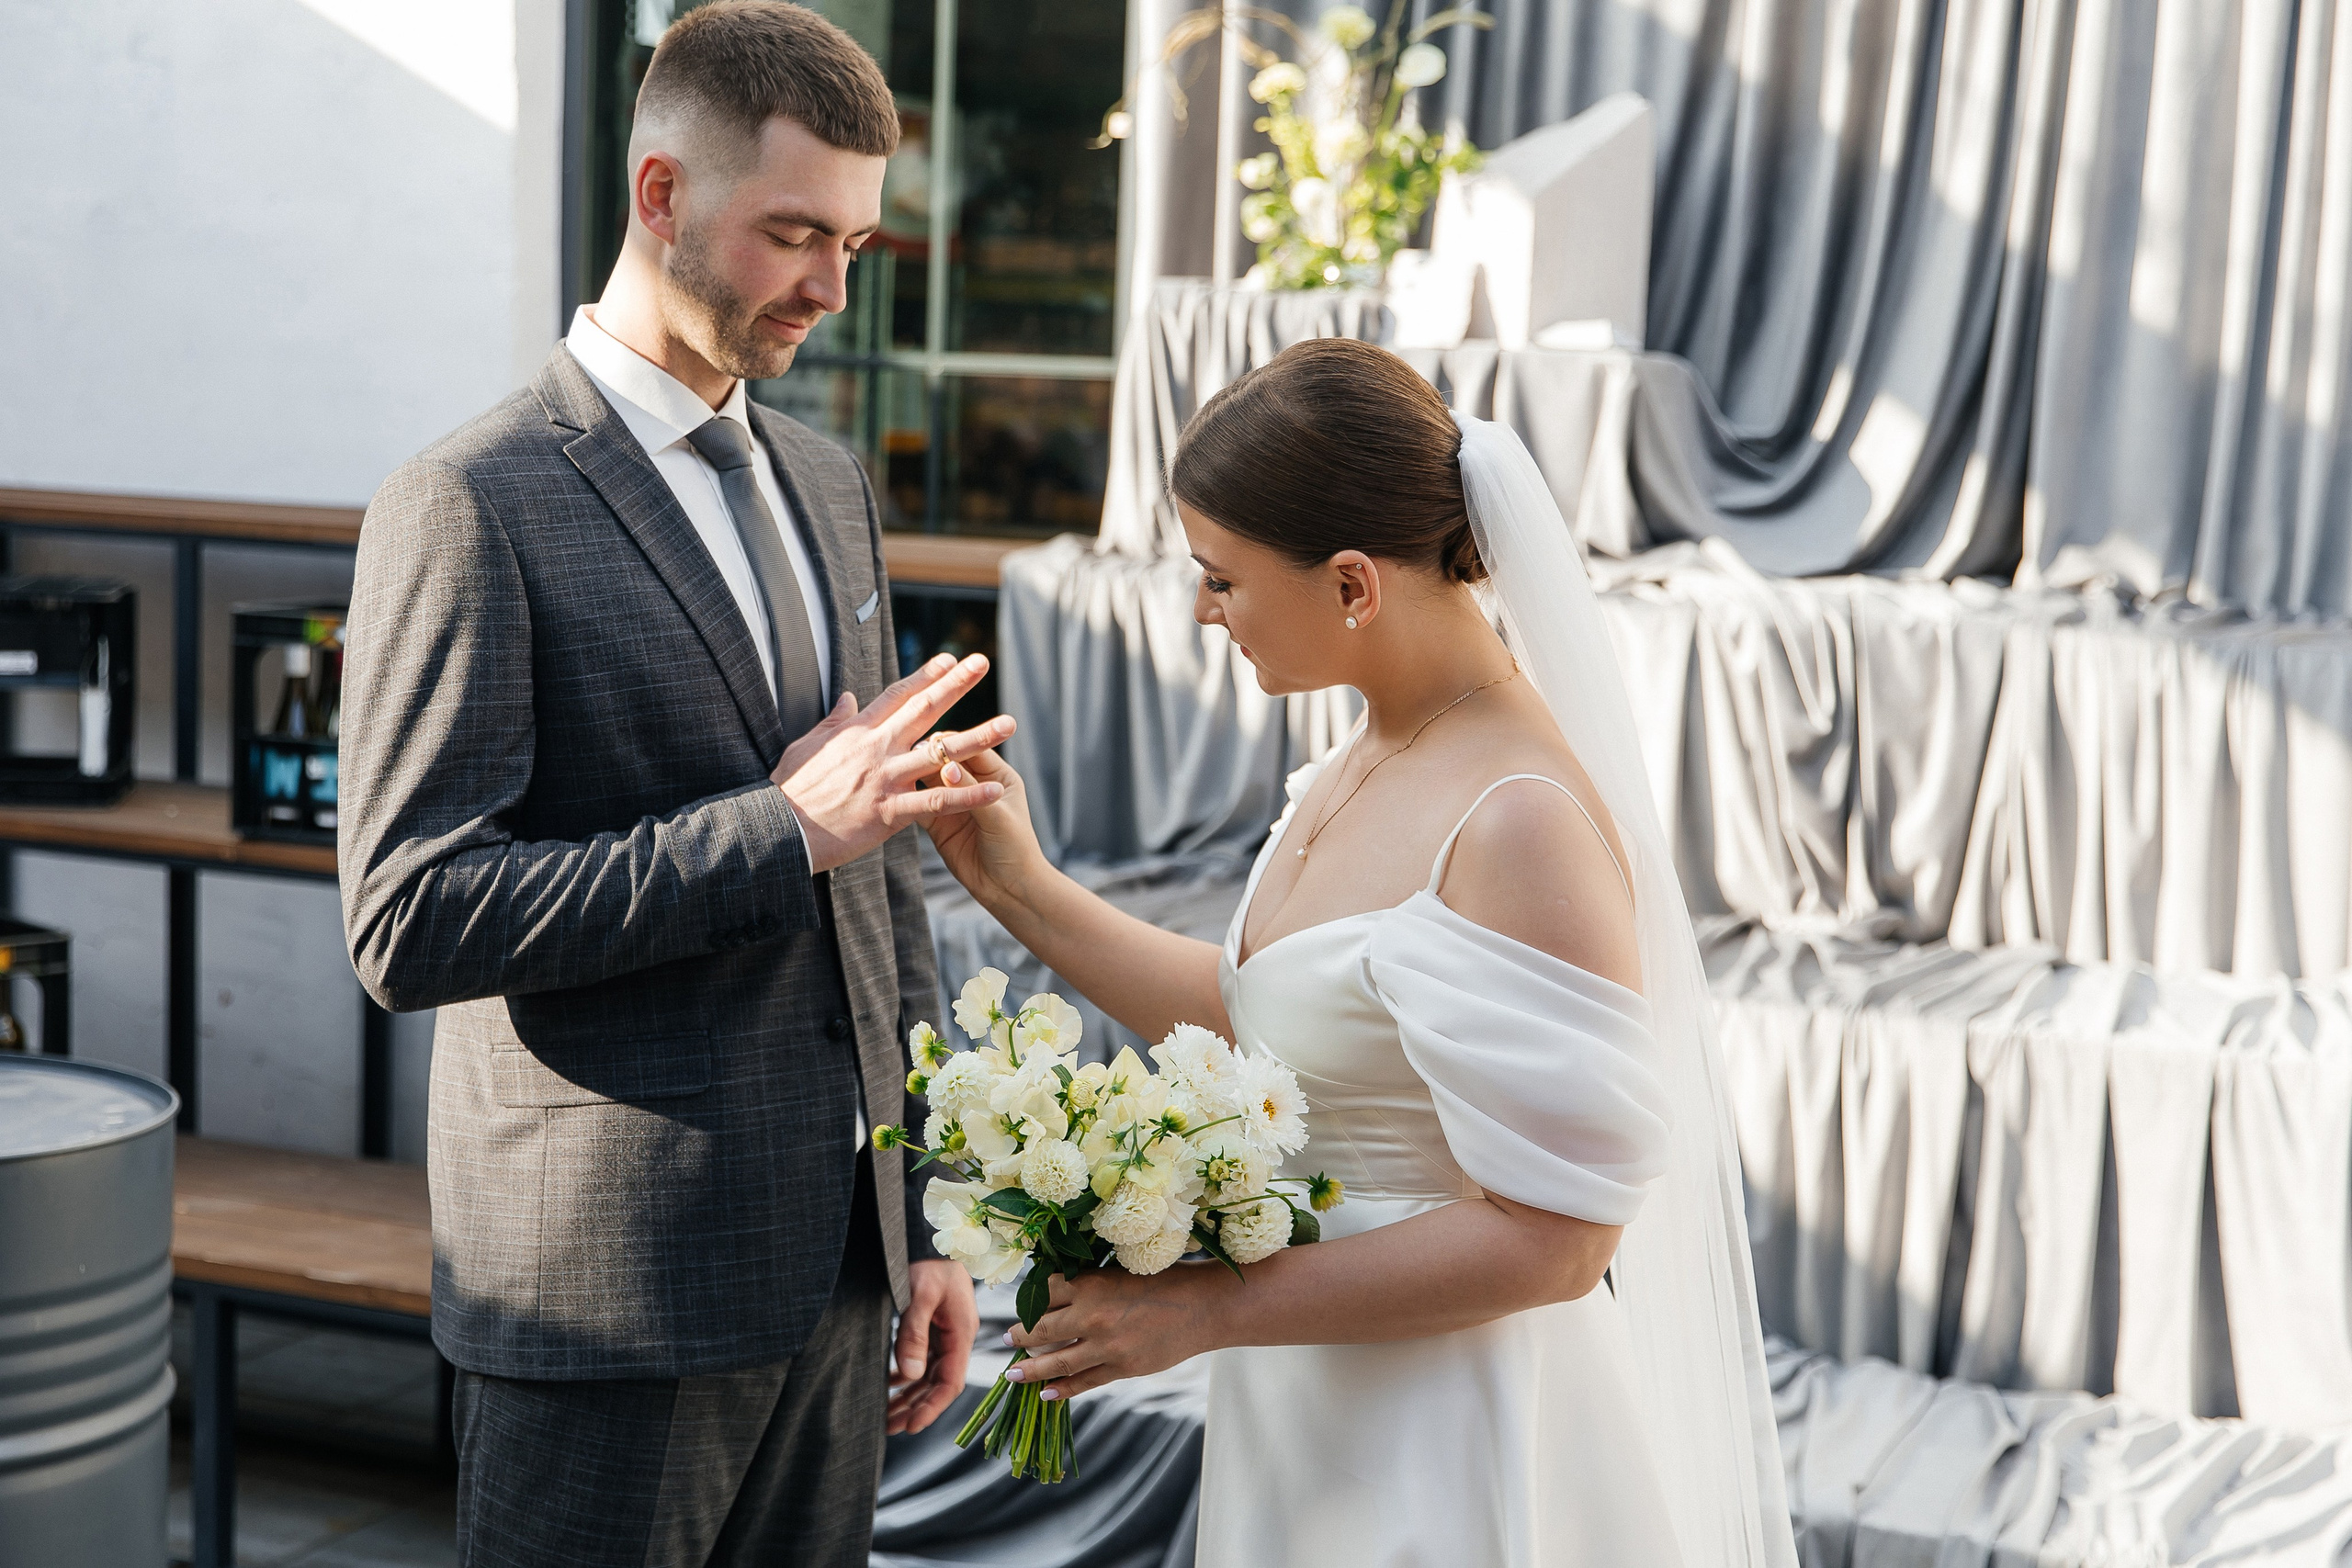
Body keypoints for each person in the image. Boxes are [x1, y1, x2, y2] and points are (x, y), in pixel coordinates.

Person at [924, 338, 1799, 1566]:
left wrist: (1205, 1309)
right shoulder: (1375, 741)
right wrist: (1018, 887)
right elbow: (1268, 1022)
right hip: (1311, 1409)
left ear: (1351, 585)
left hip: (1444, 1438)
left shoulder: (1518, 819)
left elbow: (1561, 1239)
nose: (1203, 610)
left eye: (1221, 579)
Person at [338, 6, 1008, 1562]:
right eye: (795, 235)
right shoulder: (468, 502)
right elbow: (408, 916)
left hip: (837, 1283)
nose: (831, 289)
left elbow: (883, 862)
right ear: (660, 195)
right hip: (607, 1298)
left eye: (853, 244)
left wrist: (929, 1212)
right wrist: (778, 830)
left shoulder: (829, 484)